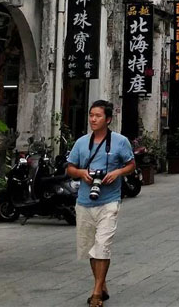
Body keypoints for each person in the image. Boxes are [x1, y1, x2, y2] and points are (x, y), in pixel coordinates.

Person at [66, 100, 135, 307]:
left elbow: (131, 165)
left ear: (108, 119)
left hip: (109, 201)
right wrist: (82, 173)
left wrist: (117, 172)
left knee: (103, 245)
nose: (93, 119)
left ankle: (96, 293)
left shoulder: (120, 142)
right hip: (84, 202)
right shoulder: (81, 143)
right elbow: (70, 168)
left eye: (98, 116)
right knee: (91, 247)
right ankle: (101, 283)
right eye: (91, 115)